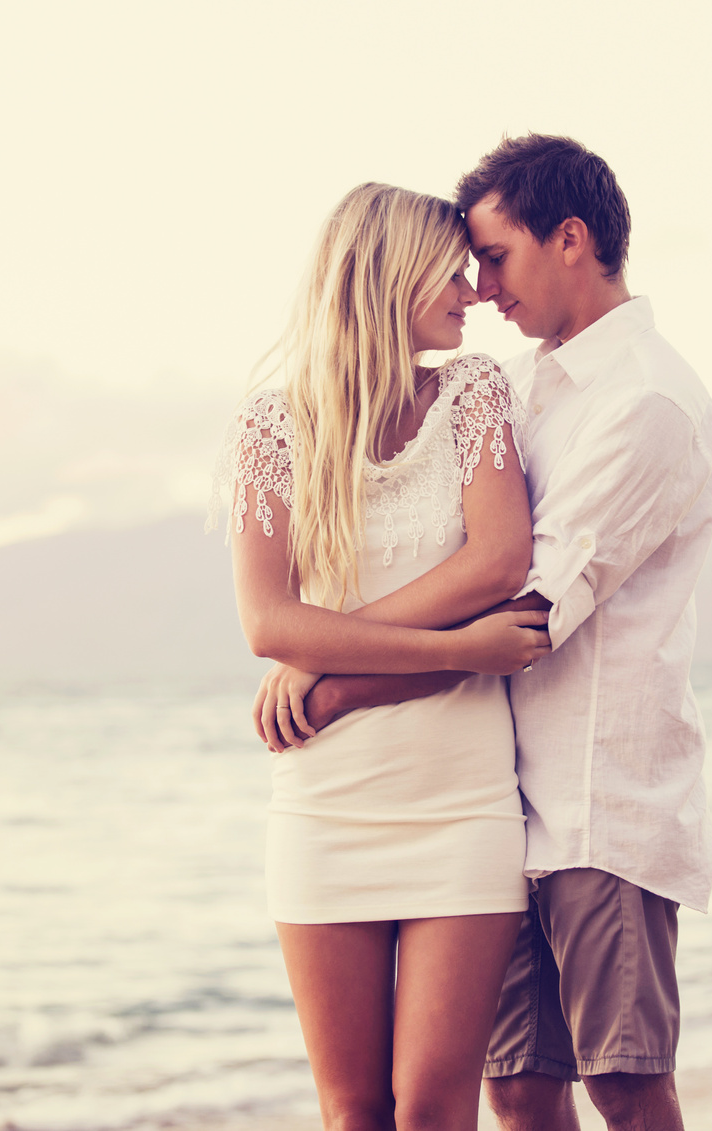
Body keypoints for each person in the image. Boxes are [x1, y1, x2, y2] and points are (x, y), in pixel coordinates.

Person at [299, 136, 712, 1131]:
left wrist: (329, 678)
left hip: (595, 799)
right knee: (520, 1086)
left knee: (621, 1078)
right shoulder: (528, 390)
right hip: (496, 802)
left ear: (568, 239)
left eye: (494, 257)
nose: (480, 288)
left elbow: (527, 606)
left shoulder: (644, 401)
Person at [210, 182, 553, 1131]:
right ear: (387, 275)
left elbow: (499, 558)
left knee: (435, 1108)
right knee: (351, 1109)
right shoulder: (271, 426)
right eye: (450, 270)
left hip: (462, 809)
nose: (473, 290)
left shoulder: (474, 391)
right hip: (326, 809)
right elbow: (268, 624)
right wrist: (454, 645)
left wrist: (329, 665)